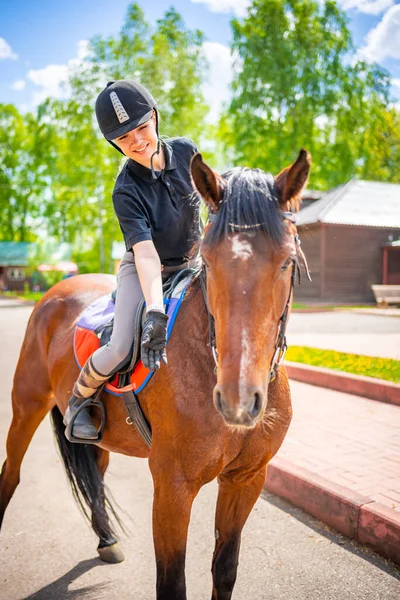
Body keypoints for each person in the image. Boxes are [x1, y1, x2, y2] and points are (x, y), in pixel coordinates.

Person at [63, 80, 201, 440]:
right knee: (122, 345)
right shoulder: (125, 189)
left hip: (194, 261)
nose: (137, 142)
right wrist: (155, 309)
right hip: (143, 270)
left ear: (154, 117)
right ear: (114, 144)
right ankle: (79, 399)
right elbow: (146, 254)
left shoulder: (187, 151)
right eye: (124, 139)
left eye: (141, 128)